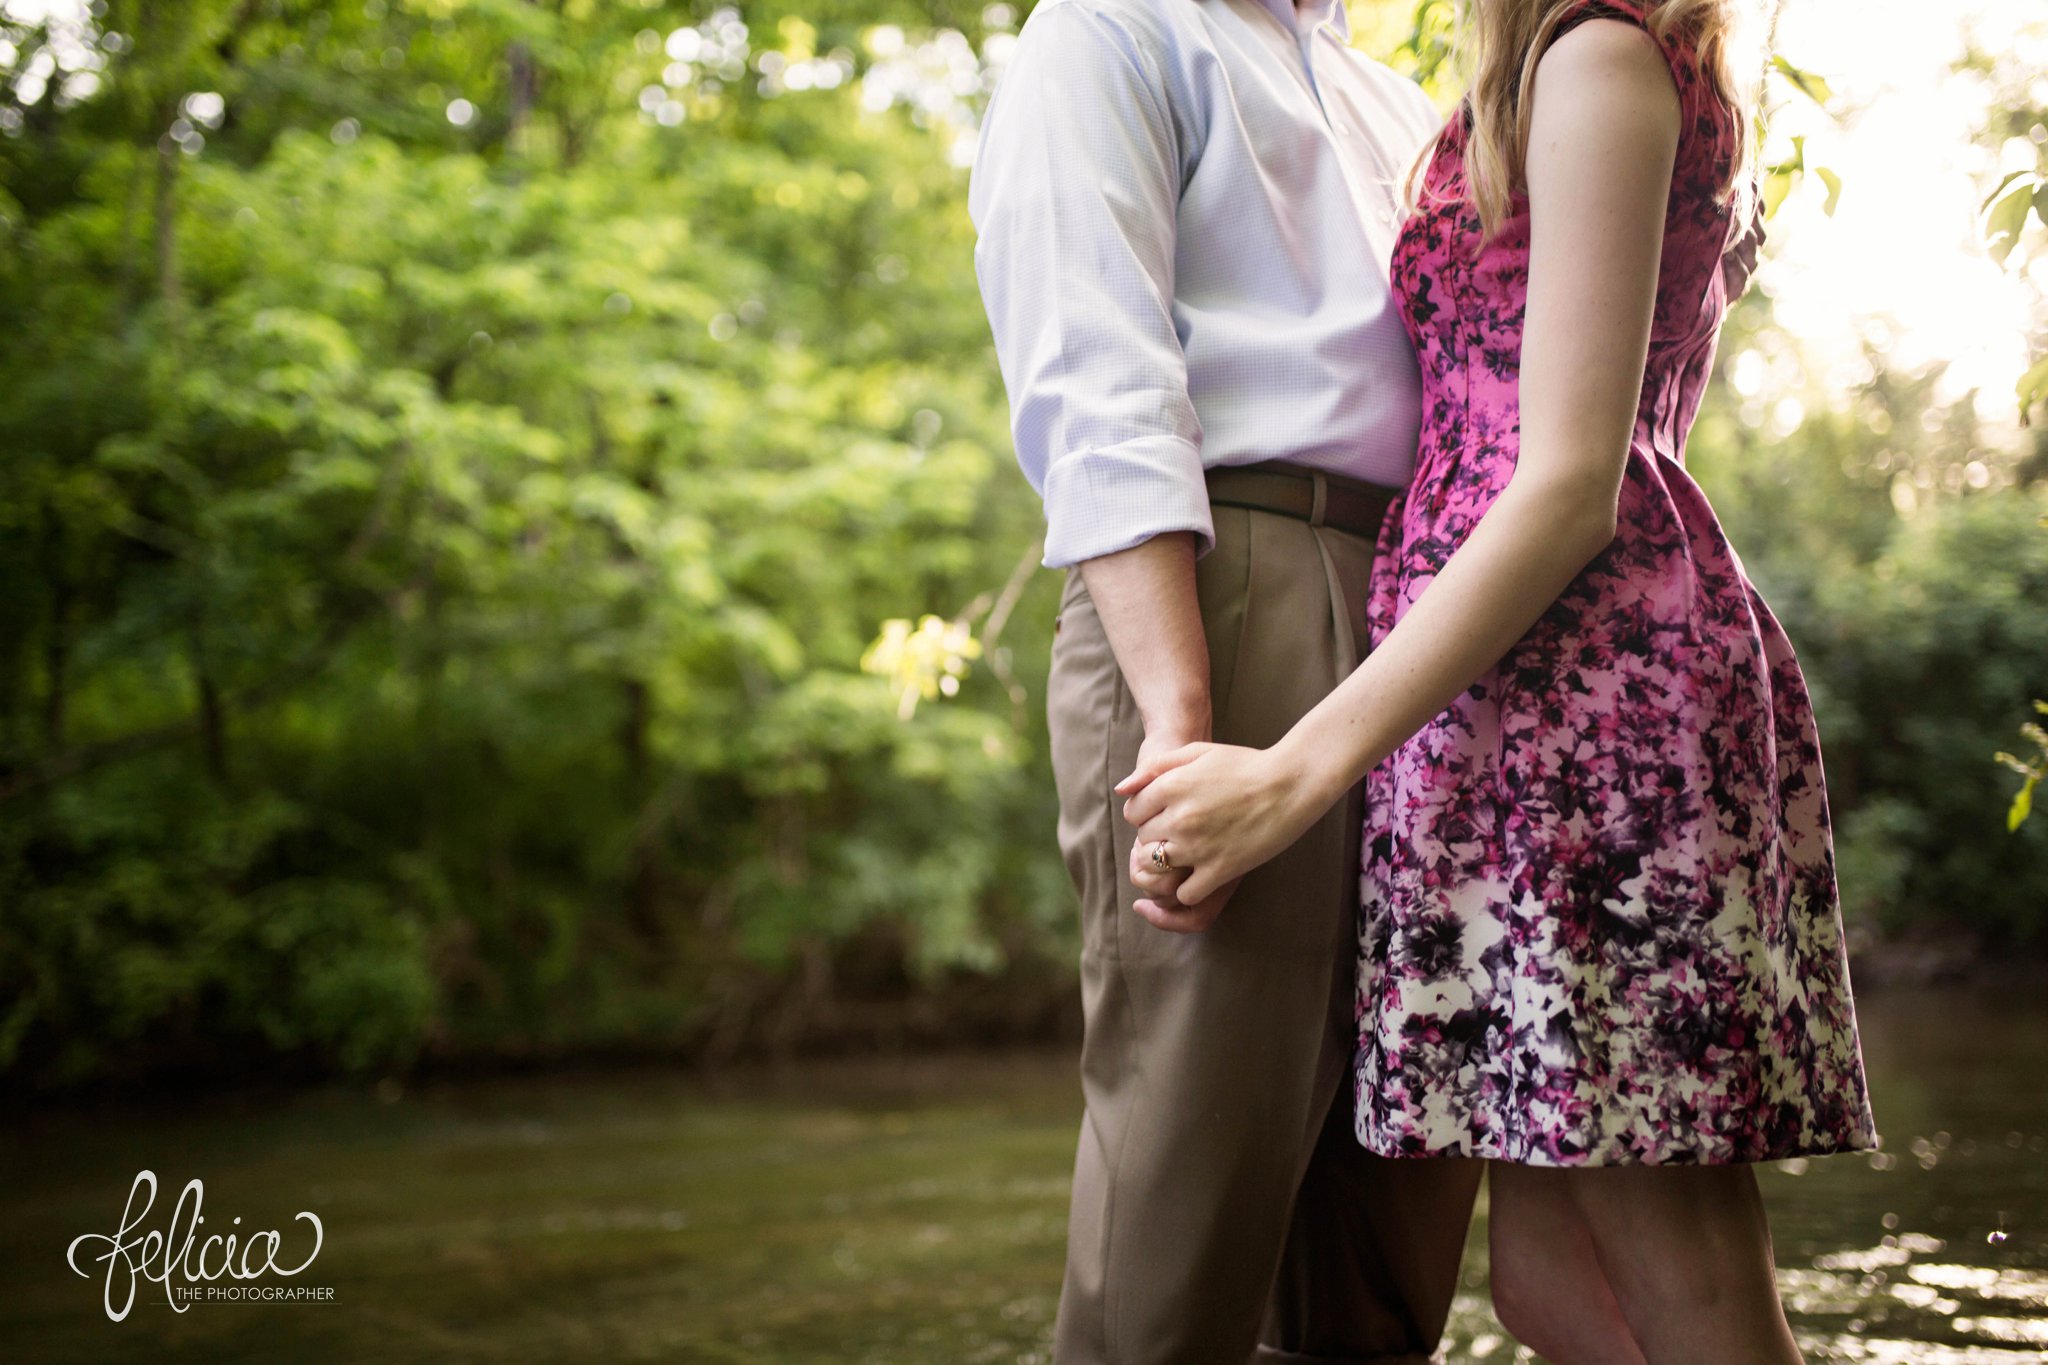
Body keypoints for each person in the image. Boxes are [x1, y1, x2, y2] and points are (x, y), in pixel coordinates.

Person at [1116, 0, 1880, 1360]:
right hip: (1498, 699)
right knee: (1547, 1279)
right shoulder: (1545, 79)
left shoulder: (1599, 54)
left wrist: (1290, 776)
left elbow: (1571, 485)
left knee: (1664, 1233)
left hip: (1587, 703)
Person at [967, 0, 1487, 1362]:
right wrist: (1179, 717)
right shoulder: (1109, 31)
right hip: (1222, 586)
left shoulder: (1396, 98)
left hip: (1428, 616)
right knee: (1187, 1192)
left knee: (1389, 1225)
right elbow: (1096, 376)